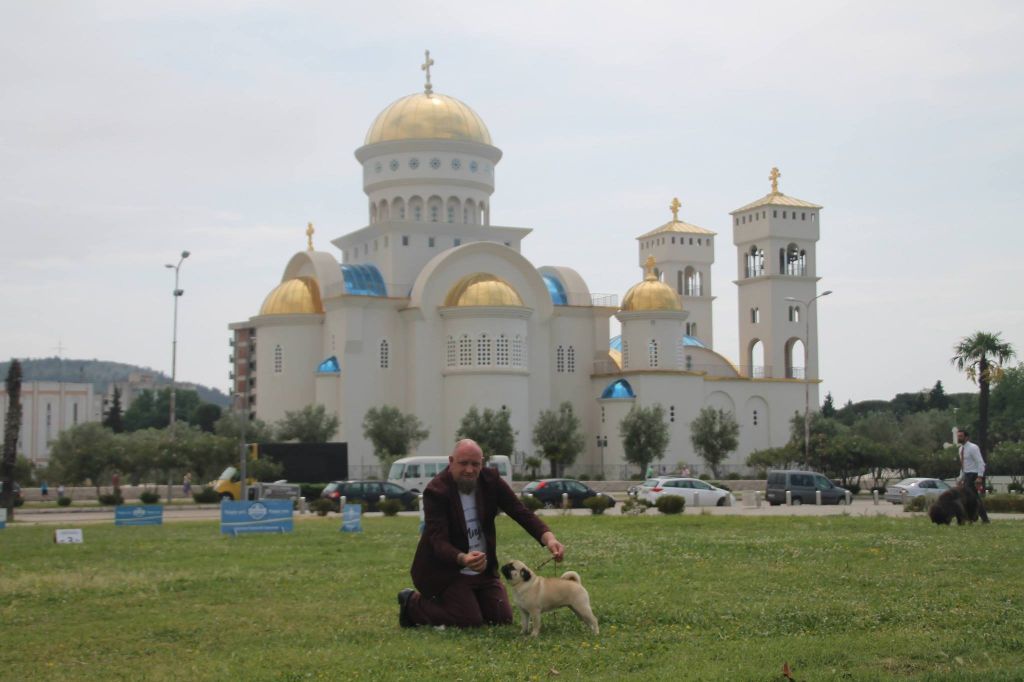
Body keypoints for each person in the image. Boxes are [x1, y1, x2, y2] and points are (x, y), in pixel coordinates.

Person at [398, 439, 565, 629]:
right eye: (463, 463)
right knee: (469, 621)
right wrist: (463, 558)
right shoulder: (436, 491)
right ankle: (411, 603)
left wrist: (549, 538)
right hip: (449, 572)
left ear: (482, 463)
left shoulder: (490, 480)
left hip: (483, 572)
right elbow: (438, 541)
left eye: (475, 464)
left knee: (501, 618)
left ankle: (470, 600)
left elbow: (520, 511)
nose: (469, 470)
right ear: (451, 461)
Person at [957, 429, 990, 524]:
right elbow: (964, 465)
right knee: (973, 498)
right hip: (967, 475)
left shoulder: (973, 448)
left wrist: (979, 477)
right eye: (958, 436)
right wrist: (960, 478)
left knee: (969, 498)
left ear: (966, 437)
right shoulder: (961, 449)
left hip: (973, 475)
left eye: (961, 436)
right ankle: (979, 519)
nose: (959, 438)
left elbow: (980, 462)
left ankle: (970, 518)